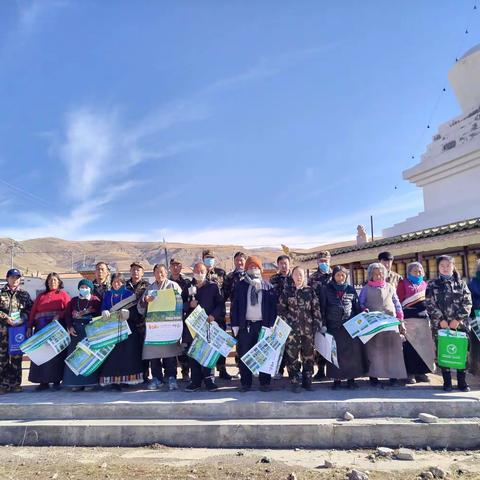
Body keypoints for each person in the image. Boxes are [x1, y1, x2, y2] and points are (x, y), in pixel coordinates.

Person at [426, 255, 473, 392]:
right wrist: (441, 320)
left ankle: (462, 382)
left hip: (461, 326)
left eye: (448, 265)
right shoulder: (432, 284)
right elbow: (429, 303)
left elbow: (467, 303)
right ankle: (447, 382)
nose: (445, 268)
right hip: (440, 326)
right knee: (444, 352)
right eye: (442, 266)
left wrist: (457, 319)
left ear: (453, 266)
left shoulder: (461, 283)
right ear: (438, 268)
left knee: (462, 352)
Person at [231, 256, 277, 392]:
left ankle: (264, 382)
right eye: (250, 267)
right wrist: (235, 325)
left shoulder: (267, 286)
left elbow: (273, 307)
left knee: (264, 354)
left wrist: (272, 325)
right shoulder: (241, 285)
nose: (253, 269)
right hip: (246, 325)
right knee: (244, 354)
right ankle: (246, 382)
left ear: (260, 269)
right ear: (246, 269)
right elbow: (235, 306)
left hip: (263, 325)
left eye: (256, 267)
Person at [358, 262, 407, 387]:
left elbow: (396, 303)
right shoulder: (365, 289)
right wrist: (364, 310)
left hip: (390, 322)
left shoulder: (390, 287)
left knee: (392, 350)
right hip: (373, 323)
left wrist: (400, 317)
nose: (378, 276)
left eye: (381, 274)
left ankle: (393, 376)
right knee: (373, 350)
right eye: (375, 275)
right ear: (370, 276)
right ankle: (374, 376)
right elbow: (361, 303)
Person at [138, 264, 183, 391]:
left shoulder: (173, 286)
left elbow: (181, 303)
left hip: (169, 325)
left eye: (162, 272)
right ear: (154, 274)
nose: (160, 274)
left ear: (166, 272)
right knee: (154, 355)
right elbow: (140, 309)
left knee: (170, 354)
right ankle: (157, 378)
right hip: (154, 327)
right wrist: (145, 301)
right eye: (157, 272)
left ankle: (171, 377)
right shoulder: (150, 289)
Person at [320, 266, 365, 389]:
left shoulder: (350, 289)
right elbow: (322, 308)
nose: (340, 277)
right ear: (333, 276)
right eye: (338, 275)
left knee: (351, 354)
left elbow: (356, 307)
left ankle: (351, 380)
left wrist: (361, 318)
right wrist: (323, 324)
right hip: (333, 326)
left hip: (349, 326)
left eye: (343, 275)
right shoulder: (326, 289)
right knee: (335, 354)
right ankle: (337, 381)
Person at [183, 262, 225, 392]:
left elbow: (220, 304)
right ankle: (195, 381)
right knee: (193, 354)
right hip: (192, 327)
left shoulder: (213, 286)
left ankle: (209, 380)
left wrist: (213, 315)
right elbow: (180, 305)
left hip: (207, 324)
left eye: (202, 271)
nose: (199, 273)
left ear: (206, 272)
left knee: (208, 353)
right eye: (197, 271)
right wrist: (189, 304)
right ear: (193, 272)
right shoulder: (188, 287)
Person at [279, 266, 321, 392]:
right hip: (292, 331)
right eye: (296, 274)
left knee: (308, 355)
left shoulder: (310, 291)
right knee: (292, 356)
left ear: (304, 277)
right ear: (292, 276)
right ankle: (295, 381)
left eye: (301, 274)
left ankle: (307, 381)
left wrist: (317, 325)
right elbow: (281, 310)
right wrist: (286, 325)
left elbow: (316, 309)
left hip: (308, 330)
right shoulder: (286, 292)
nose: (299, 277)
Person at [99, 273, 144, 390]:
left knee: (127, 356)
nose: (116, 284)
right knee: (113, 358)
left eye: (119, 282)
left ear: (123, 283)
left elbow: (137, 313)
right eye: (114, 282)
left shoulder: (130, 295)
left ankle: (127, 380)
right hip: (112, 330)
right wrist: (104, 312)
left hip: (128, 331)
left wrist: (130, 314)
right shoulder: (108, 295)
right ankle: (113, 381)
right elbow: (103, 308)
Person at [27, 273, 71, 391]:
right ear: (47, 282)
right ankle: (42, 382)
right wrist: (29, 326)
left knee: (56, 355)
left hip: (56, 329)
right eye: (50, 280)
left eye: (55, 280)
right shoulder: (41, 296)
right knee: (41, 355)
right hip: (41, 329)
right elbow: (33, 312)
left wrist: (59, 315)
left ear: (59, 282)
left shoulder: (63, 295)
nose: (52, 282)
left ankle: (57, 381)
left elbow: (68, 310)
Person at [397, 262, 435, 384]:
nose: (418, 273)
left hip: (423, 319)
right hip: (408, 319)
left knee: (423, 347)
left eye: (420, 271)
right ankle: (409, 373)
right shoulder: (403, 284)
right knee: (409, 348)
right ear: (409, 272)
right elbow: (399, 301)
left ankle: (421, 372)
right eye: (415, 271)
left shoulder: (425, 284)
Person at [63, 279, 102, 391]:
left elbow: (99, 316)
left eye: (86, 287)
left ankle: (89, 382)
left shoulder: (95, 301)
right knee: (76, 357)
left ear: (91, 289)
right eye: (82, 287)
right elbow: (68, 316)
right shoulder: (73, 301)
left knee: (89, 356)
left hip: (89, 332)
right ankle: (75, 382)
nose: (84, 289)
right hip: (76, 332)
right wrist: (70, 327)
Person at [0, 269, 33, 394]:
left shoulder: (24, 294)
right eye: (13, 277)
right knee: (2, 359)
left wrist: (22, 319)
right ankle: (3, 385)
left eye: (18, 278)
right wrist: (5, 317)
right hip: (2, 331)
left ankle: (15, 384)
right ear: (7, 278)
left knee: (16, 358)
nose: (15, 280)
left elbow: (30, 310)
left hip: (17, 331)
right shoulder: (1, 293)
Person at [202, 249, 231, 381]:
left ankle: (222, 369)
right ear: (203, 259)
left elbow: (226, 292)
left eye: (211, 258)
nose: (209, 260)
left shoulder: (221, 273)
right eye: (207, 258)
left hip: (218, 314)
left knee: (221, 343)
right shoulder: (200, 272)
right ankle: (208, 372)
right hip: (204, 316)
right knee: (206, 344)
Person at [308, 251, 332, 381]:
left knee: (333, 342)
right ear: (317, 262)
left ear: (330, 261)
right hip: (318, 314)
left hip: (333, 314)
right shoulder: (313, 278)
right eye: (321, 261)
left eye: (325, 261)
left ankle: (334, 370)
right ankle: (321, 370)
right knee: (320, 343)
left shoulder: (335, 275)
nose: (323, 263)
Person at [126, 262, 151, 384]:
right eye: (134, 269)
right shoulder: (125, 285)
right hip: (127, 323)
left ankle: (145, 375)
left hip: (142, 323)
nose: (136, 272)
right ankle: (130, 376)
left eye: (138, 270)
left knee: (143, 350)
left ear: (142, 272)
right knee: (130, 350)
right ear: (130, 271)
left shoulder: (148, 286)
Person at [169, 258, 192, 383]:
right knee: (172, 346)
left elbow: (190, 299)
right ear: (170, 267)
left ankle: (185, 372)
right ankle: (170, 373)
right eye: (173, 265)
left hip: (184, 317)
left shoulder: (187, 282)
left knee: (184, 346)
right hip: (169, 319)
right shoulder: (166, 282)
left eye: (178, 265)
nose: (176, 268)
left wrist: (184, 306)